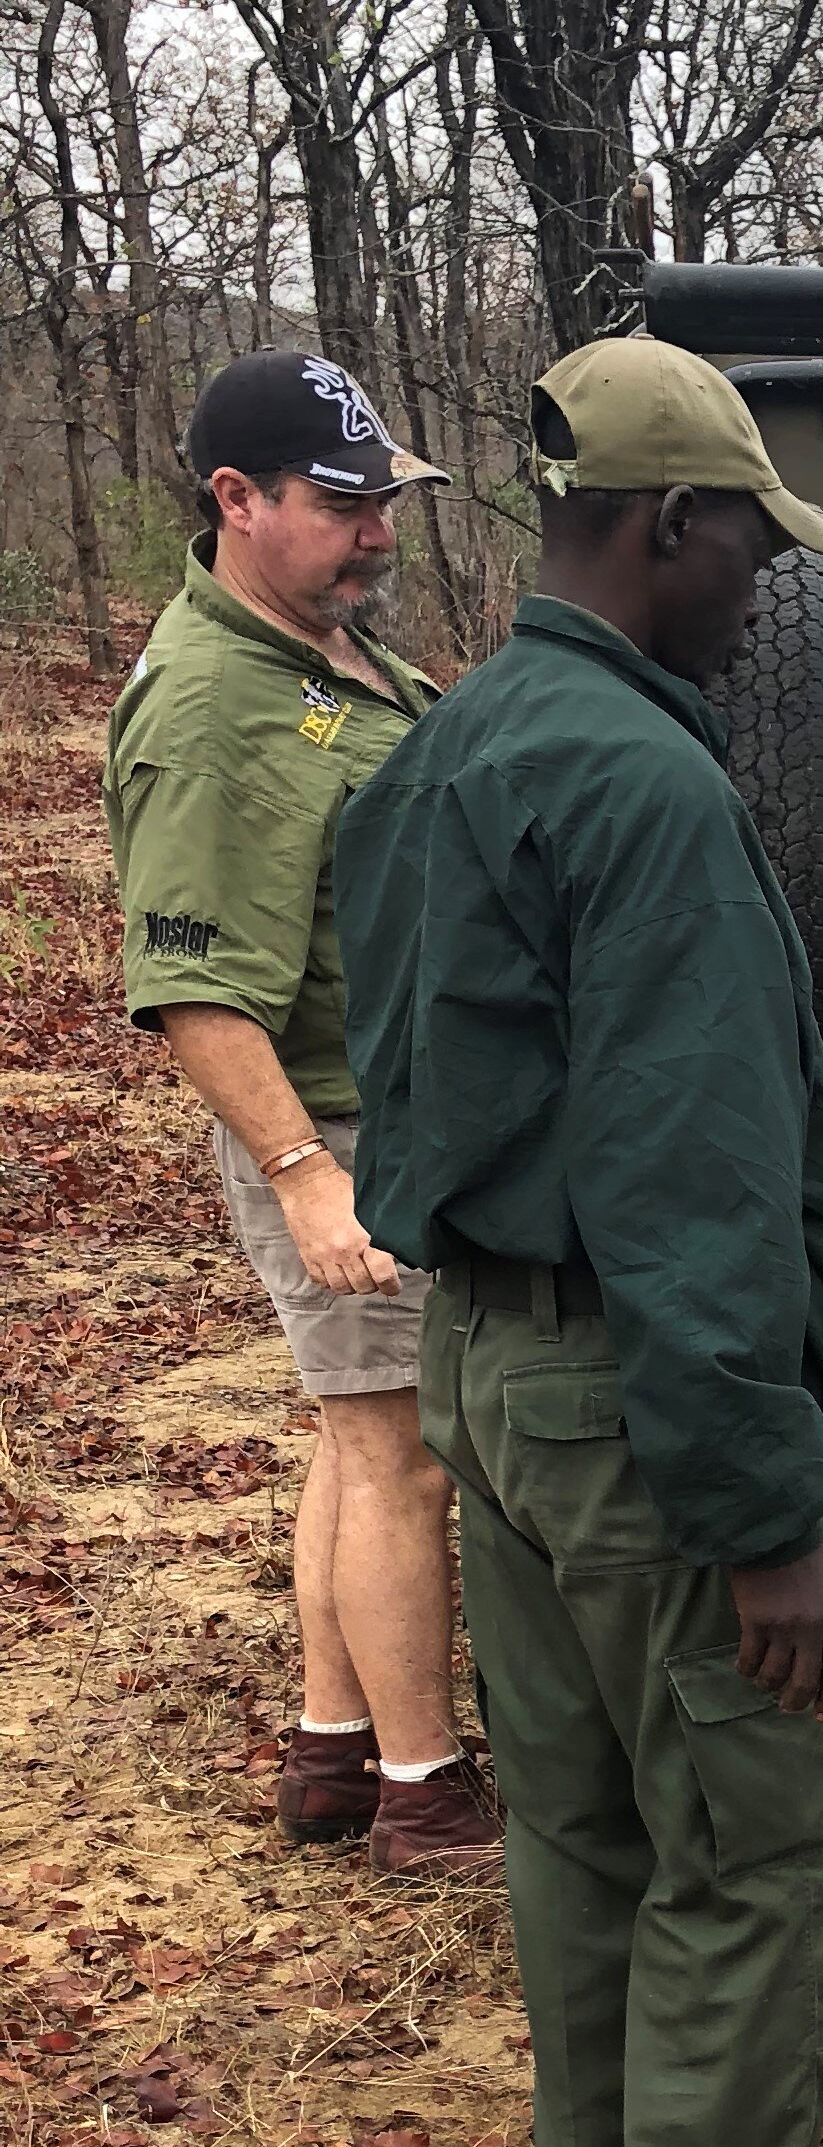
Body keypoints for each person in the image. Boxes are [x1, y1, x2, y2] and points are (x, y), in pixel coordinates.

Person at [335, 338, 823, 2147]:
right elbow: (691, 1170)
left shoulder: (452, 747)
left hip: (490, 1362)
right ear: (667, 527)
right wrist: (766, 1514)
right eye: (747, 542)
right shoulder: (651, 788)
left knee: (583, 1838)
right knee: (751, 1850)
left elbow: (397, 1072)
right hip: (625, 1388)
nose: (760, 582)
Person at [102, 351, 500, 1875]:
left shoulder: (312, 656)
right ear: (237, 501)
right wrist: (301, 1177)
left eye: (387, 497)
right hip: (331, 1125)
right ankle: (428, 1797)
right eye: (344, 505)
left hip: (371, 1114)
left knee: (357, 1441)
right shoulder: (210, 708)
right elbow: (192, 982)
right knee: (402, 1461)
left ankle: (336, 1756)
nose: (381, 531)